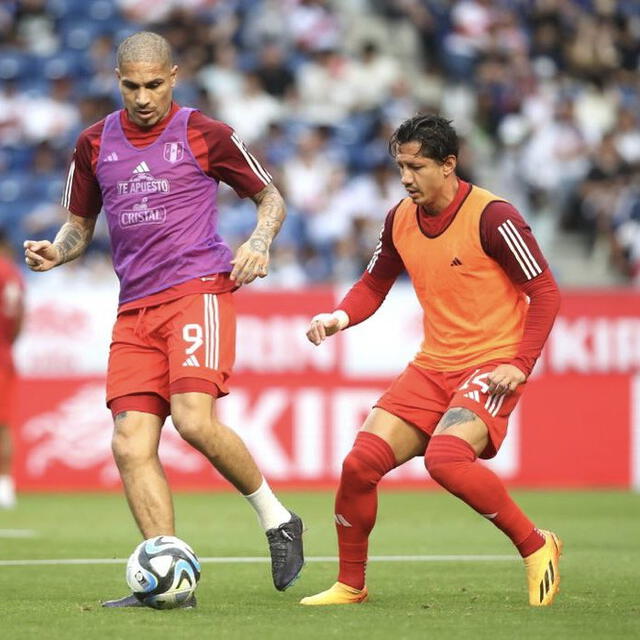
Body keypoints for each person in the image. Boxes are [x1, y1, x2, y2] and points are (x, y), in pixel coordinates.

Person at [23, 31, 303, 607]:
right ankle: (170, 576)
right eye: (132, 85)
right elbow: (78, 225)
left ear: (173, 76)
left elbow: (271, 197)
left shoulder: (206, 133)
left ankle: (278, 520)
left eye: (154, 84)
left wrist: (259, 241)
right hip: (134, 309)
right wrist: (59, 250)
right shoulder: (93, 143)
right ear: (117, 80)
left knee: (193, 421)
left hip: (197, 291)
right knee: (129, 444)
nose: (144, 96)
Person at [301, 114, 562, 607]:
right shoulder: (400, 217)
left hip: (492, 362)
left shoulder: (493, 217)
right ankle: (350, 585)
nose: (405, 178)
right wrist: (338, 317)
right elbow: (375, 282)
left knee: (445, 459)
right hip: (432, 365)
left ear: (449, 164)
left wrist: (521, 364)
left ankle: (536, 545)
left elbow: (544, 292)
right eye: (400, 165)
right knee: (359, 465)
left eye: (416, 166)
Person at [0, 230, 25, 509]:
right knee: (3, 424)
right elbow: (19, 318)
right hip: (3, 354)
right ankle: (5, 485)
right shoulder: (13, 273)